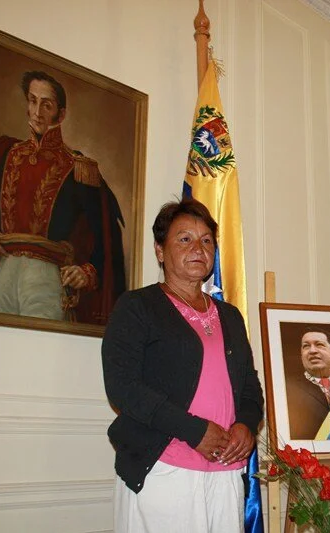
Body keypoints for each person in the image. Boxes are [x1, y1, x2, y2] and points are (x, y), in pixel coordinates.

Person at [102, 199, 264, 532]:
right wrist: (195, 431)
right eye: (184, 239)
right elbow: (123, 387)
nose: (198, 248)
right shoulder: (137, 307)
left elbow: (250, 386)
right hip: (163, 470)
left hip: (224, 474)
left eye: (206, 240)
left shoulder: (231, 316)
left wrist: (246, 425)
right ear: (160, 251)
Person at [0, 70, 125, 324]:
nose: (37, 111)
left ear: (61, 114)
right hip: (3, 271)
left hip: (46, 276)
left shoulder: (79, 168)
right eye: (32, 101)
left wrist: (86, 272)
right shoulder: (5, 153)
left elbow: (104, 238)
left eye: (47, 104)